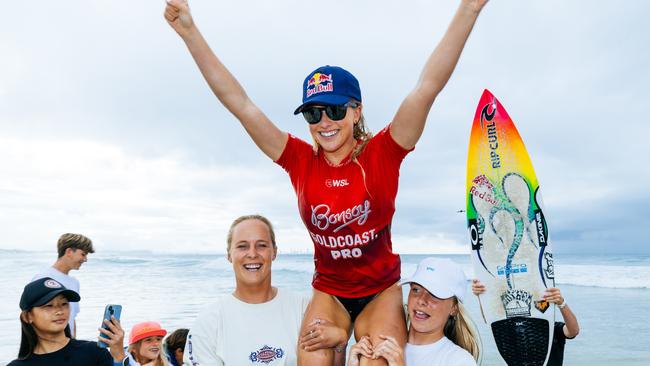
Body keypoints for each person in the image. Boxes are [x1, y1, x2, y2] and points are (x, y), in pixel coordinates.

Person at [164, 0, 488, 364]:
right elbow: (241, 104)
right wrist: (190, 33)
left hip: (379, 292)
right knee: (315, 355)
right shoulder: (299, 160)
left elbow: (427, 87)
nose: (324, 122)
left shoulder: (383, 152)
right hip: (330, 293)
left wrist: (469, 10)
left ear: (356, 111)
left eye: (334, 110)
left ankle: (346, 341)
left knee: (376, 361)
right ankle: (340, 339)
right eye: (314, 113)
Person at [184, 215, 347, 365]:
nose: (252, 254)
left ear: (274, 252)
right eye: (242, 246)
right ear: (229, 255)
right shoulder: (208, 324)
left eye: (261, 245)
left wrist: (339, 343)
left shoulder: (304, 308)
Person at [347, 258, 480, 366]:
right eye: (416, 290)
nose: (422, 300)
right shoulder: (384, 344)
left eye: (434, 294)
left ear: (454, 308)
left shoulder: (459, 360)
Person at [8, 277, 126, 366]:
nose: (60, 311)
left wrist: (118, 358)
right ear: (27, 317)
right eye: (49, 305)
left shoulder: (94, 352)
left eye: (64, 304)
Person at [471, 280, 579, 365]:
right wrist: (482, 296)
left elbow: (573, 331)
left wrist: (562, 303)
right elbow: (491, 319)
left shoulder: (551, 327)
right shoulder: (513, 329)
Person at [32, 233, 95, 338]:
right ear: (69, 252)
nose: (85, 259)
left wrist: (73, 343)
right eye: (83, 254)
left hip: (67, 345)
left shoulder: (74, 282)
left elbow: (72, 318)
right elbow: (33, 317)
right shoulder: (43, 278)